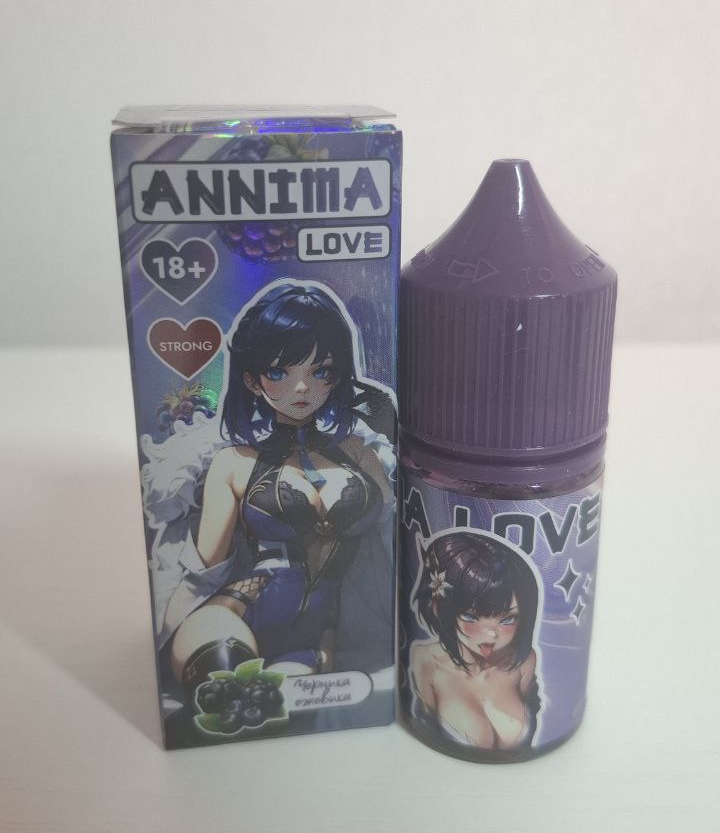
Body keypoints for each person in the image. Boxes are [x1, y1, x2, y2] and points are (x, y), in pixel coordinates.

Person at [145, 282, 396, 711]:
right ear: (251, 378)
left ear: (338, 375)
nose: (301, 388)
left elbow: (390, 535)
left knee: (282, 704)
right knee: (226, 685)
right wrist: (168, 633)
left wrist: (386, 419)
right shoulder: (233, 462)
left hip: (314, 635)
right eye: (279, 372)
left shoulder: (359, 452)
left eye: (320, 371)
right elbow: (206, 571)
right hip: (234, 614)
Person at [409, 531, 541, 751]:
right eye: (471, 617)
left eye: (508, 619)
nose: (491, 635)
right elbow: (423, 723)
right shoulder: (426, 661)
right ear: (440, 608)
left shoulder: (524, 660)